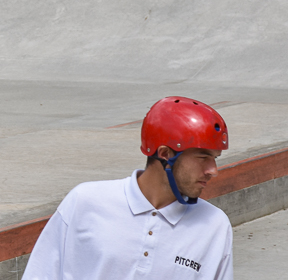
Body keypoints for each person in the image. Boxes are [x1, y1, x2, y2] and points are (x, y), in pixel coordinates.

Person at [22, 96, 232, 279]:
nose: (213, 170)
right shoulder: (85, 201)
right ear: (165, 154)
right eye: (203, 157)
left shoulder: (215, 225)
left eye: (215, 159)